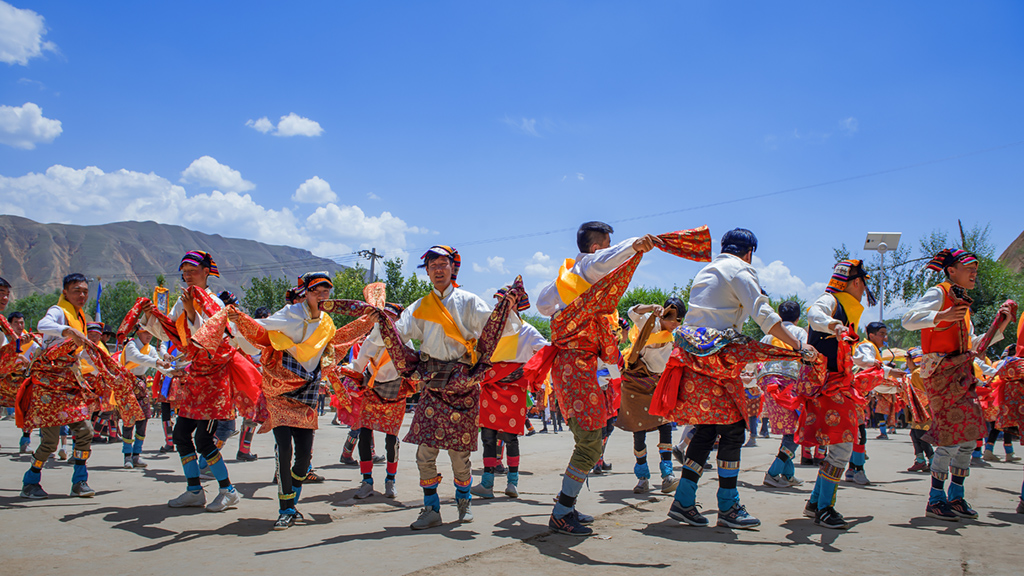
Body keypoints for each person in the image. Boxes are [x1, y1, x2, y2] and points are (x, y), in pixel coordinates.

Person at [651, 228, 813, 531]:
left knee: (706, 430)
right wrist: (798, 346)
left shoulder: (706, 270)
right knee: (735, 430)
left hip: (692, 356)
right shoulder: (739, 269)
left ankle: (684, 501)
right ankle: (727, 505)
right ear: (750, 252)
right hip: (717, 362)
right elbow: (763, 313)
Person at [384, 245, 521, 530]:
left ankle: (464, 502)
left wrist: (508, 307)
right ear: (428, 272)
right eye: (431, 265)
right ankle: (431, 508)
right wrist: (379, 322)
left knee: (460, 455)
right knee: (425, 453)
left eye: (442, 264)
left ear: (453, 268)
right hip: (433, 386)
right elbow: (398, 334)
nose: (437, 269)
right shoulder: (419, 307)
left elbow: (500, 327)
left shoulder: (469, 301)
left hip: (463, 386)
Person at [137, 250, 260, 512]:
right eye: (184, 271)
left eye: (193, 271)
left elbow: (211, 337)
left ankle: (228, 491)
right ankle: (194, 489)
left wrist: (193, 312)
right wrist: (151, 316)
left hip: (214, 380)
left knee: (204, 440)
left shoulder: (214, 302)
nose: (188, 275)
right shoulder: (182, 301)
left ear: (207, 272)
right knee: (181, 434)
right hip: (194, 377)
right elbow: (172, 333)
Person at [901, 248, 1013, 522]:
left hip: (961, 373)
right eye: (969, 268)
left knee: (971, 436)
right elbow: (908, 319)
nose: (974, 273)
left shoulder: (963, 302)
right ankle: (936, 498)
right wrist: (940, 317)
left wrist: (1001, 324)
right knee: (950, 437)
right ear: (951, 270)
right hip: (942, 374)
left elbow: (973, 344)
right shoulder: (940, 293)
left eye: (976, 268)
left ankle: (956, 495)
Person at [224, 272, 335, 530]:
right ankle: (285, 508)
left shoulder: (328, 323)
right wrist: (238, 319)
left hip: (307, 391)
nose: (322, 295)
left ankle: (292, 498)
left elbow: (335, 345)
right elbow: (261, 329)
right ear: (306, 293)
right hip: (280, 392)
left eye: (326, 290)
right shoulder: (289, 314)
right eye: (317, 290)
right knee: (284, 449)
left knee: (304, 458)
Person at [19, 274, 142, 499]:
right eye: (77, 290)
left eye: (85, 291)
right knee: (50, 441)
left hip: (71, 383)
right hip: (49, 386)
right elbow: (42, 324)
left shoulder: (80, 317)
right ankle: (31, 480)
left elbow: (83, 352)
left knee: (85, 431)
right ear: (65, 292)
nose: (82, 295)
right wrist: (67, 331)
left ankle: (80, 481)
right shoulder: (59, 311)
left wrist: (105, 373)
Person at [800, 259, 877, 529]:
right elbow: (813, 315)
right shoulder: (831, 302)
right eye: (864, 284)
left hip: (840, 385)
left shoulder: (849, 313)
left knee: (840, 445)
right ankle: (825, 507)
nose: (865, 290)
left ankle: (815, 502)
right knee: (842, 446)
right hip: (829, 386)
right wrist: (834, 326)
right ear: (857, 282)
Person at [472, 287, 549, 499]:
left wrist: (530, 374)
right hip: (489, 387)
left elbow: (546, 351)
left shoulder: (527, 331)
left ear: (517, 304)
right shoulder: (489, 329)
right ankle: (487, 484)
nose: (500, 304)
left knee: (510, 437)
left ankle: (512, 483)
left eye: (507, 301)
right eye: (498, 301)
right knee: (488, 437)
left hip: (514, 389)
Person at [616, 299, 684, 495]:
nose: (675, 323)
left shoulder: (675, 335)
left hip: (660, 383)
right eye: (673, 318)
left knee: (665, 426)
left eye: (679, 320)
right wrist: (651, 307)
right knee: (639, 431)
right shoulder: (649, 322)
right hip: (638, 383)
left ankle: (667, 475)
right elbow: (631, 312)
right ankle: (642, 477)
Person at [758, 300, 808, 488]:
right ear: (798, 317)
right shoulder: (800, 333)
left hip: (769, 384)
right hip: (790, 385)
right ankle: (773, 472)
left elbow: (759, 358)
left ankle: (788, 475)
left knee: (789, 430)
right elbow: (806, 355)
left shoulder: (769, 335)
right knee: (797, 430)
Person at [119, 326, 171, 469]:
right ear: (138, 333)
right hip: (128, 384)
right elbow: (139, 358)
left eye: (151, 333)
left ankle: (137, 454)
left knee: (144, 418)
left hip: (141, 385)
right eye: (146, 333)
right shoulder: (131, 345)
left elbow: (159, 365)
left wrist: (174, 371)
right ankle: (127, 455)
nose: (149, 336)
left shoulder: (151, 349)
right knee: (129, 420)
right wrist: (158, 363)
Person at [900, 347, 935, 472]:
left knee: (920, 434)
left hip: (921, 408)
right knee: (914, 433)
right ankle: (920, 459)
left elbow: (917, 393)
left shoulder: (915, 373)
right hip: (926, 407)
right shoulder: (925, 371)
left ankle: (931, 458)